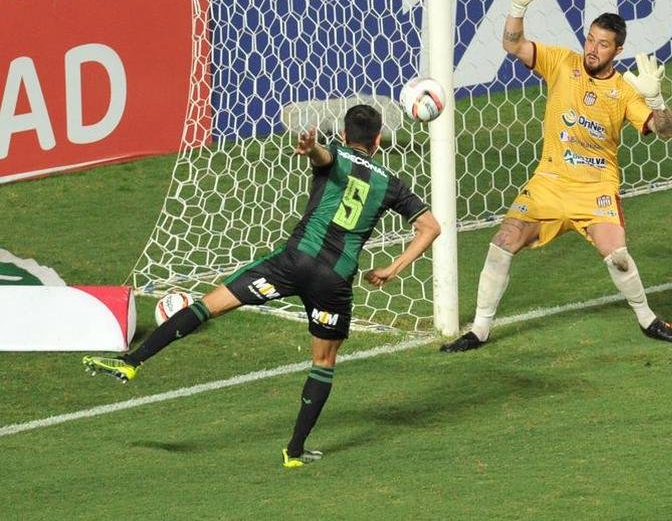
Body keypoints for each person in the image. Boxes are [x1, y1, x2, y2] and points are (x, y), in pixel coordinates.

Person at [83, 105, 439, 468]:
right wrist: (393, 268)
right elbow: (430, 227)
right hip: (333, 282)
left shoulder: (336, 155)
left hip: (292, 265)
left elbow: (324, 157)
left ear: (345, 135)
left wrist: (312, 148)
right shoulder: (392, 184)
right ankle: (295, 452)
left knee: (208, 305)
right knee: (323, 362)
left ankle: (132, 362)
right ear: (378, 141)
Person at [440, 0, 672, 352]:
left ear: (617, 50)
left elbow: (666, 132)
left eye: (602, 44)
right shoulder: (561, 62)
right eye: (590, 39)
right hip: (549, 185)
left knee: (619, 257)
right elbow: (512, 44)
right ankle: (480, 329)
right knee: (503, 240)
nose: (592, 48)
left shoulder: (624, 91)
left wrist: (655, 99)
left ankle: (647, 319)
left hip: (596, 191)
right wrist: (517, 7)